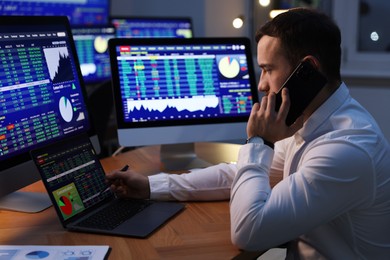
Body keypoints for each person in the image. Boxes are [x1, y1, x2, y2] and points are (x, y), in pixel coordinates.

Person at [106, 8, 390, 259]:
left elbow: (249, 232)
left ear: (308, 70)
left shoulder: (347, 148)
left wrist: (259, 141)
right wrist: (152, 186)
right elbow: (239, 173)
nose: (262, 85)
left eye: (268, 70)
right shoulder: (311, 120)